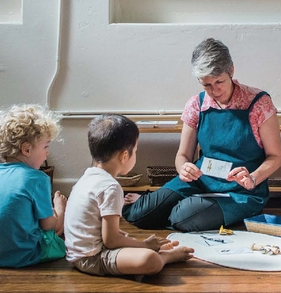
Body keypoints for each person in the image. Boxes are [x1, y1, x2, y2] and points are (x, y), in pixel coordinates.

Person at [122, 38, 281, 232]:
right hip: (200, 181)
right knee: (138, 213)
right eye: (206, 85)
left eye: (219, 82)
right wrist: (183, 169)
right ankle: (166, 204)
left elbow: (276, 156)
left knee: (181, 218)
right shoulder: (196, 104)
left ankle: (180, 207)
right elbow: (183, 155)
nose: (214, 91)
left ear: (231, 71)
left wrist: (253, 178)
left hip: (241, 191)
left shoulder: (259, 103)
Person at [64, 114, 194, 278]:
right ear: (124, 156)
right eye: (136, 151)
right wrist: (144, 246)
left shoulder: (87, 178)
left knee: (132, 242)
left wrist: (137, 243)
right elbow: (110, 241)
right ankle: (167, 257)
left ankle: (150, 249)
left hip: (76, 255)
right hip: (93, 258)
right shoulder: (110, 187)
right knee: (150, 259)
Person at [0, 104, 67, 267]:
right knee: (57, 229)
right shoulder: (38, 178)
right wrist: (60, 208)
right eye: (46, 146)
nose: (47, 153)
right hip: (22, 256)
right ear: (27, 149)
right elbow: (48, 225)